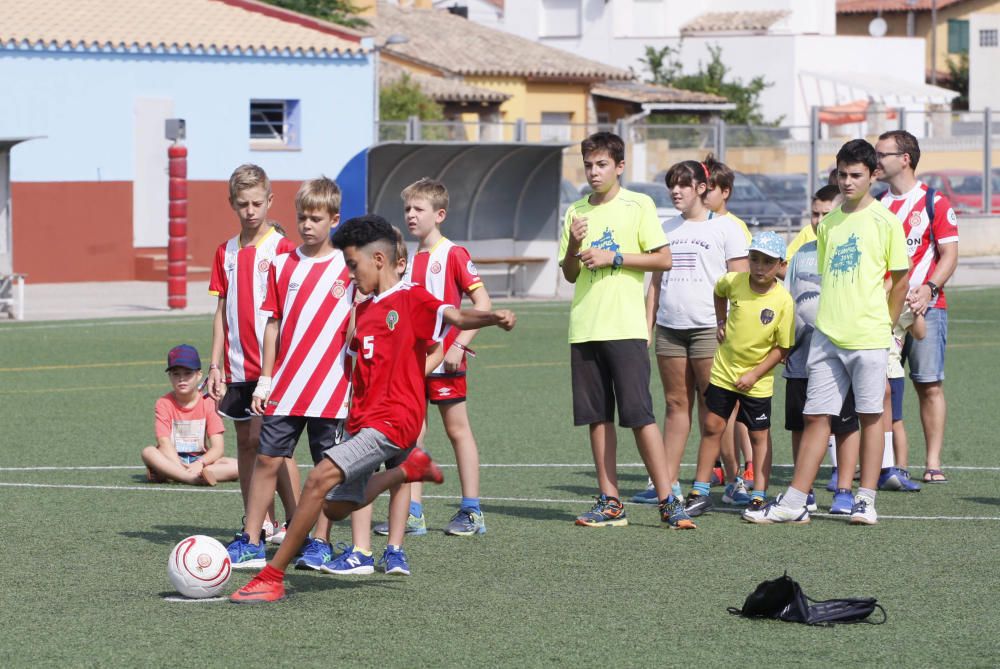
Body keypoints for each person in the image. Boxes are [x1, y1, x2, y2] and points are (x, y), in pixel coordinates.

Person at [230, 215, 517, 603]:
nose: (350, 274)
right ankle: (408, 470)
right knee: (335, 507)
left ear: (378, 260)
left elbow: (456, 316)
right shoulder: (362, 312)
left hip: (392, 421)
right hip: (361, 420)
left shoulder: (412, 297)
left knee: (317, 479)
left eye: (353, 265)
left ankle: (271, 575)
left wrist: (493, 317)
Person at [744, 139, 909, 526]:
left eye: (856, 175)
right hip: (826, 337)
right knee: (817, 416)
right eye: (842, 174)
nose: (848, 182)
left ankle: (865, 499)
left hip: (869, 337)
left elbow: (899, 281)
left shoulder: (886, 221)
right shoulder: (829, 224)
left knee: (871, 417)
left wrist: (885, 327)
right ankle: (797, 500)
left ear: (873, 175)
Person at [560, 131, 693, 530]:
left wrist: (612, 256)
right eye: (588, 164)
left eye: (602, 164)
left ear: (620, 167)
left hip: (625, 327)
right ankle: (610, 500)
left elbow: (664, 260)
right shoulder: (576, 212)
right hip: (584, 327)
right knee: (597, 417)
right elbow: (569, 274)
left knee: (639, 415)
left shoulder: (640, 205)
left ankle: (668, 499)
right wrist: (572, 244)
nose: (594, 172)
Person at [225, 177, 355, 569]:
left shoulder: (347, 265)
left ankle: (319, 541)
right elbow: (273, 324)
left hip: (331, 389)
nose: (307, 225)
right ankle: (252, 537)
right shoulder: (283, 264)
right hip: (286, 386)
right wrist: (266, 378)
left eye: (316, 218)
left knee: (324, 470)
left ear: (334, 218)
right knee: (267, 458)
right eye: (302, 217)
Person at [380, 177, 493, 537]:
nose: (411, 215)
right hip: (413, 362)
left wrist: (459, 346)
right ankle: (414, 512)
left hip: (445, 360)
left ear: (439, 214)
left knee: (457, 429)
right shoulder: (408, 260)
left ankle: (472, 511)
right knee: (413, 434)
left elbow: (483, 305)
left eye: (419, 209)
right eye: (407, 209)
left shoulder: (453, 254)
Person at [643, 159, 748, 508]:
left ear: (701, 188)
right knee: (675, 405)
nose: (676, 191)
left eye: (683, 185)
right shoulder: (665, 228)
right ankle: (667, 483)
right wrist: (648, 327)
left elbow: (740, 283)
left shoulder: (726, 229)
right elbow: (655, 284)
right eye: (672, 185)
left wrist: (733, 329)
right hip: (671, 329)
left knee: (715, 409)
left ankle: (733, 478)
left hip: (709, 329)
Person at [206, 164, 300, 545]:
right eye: (242, 203)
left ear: (269, 201)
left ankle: (298, 522)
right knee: (247, 444)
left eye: (257, 203)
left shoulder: (282, 249)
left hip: (271, 368)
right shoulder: (224, 252)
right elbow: (220, 312)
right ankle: (259, 521)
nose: (250, 210)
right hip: (235, 365)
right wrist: (215, 365)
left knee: (274, 447)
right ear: (232, 203)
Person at [682, 231, 793, 519]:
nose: (758, 267)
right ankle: (700, 491)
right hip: (724, 372)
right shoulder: (734, 281)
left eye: (767, 261)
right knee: (712, 427)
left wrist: (755, 375)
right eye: (754, 259)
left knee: (759, 437)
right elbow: (719, 291)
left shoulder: (783, 301)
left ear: (780, 265)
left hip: (757, 382)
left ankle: (758, 495)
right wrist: (720, 320)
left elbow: (782, 348)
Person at [875, 129, 959, 484]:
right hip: (885, 311)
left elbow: (950, 254)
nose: (875, 160)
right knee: (880, 387)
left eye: (882, 154)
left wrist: (929, 288)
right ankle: (888, 462)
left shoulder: (934, 202)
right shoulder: (877, 205)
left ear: (904, 158)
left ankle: (933, 461)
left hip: (928, 307)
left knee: (929, 384)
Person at [782, 185, 861, 516]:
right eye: (814, 213)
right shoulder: (800, 254)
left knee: (843, 424)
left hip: (837, 356)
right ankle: (805, 490)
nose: (818, 219)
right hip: (800, 358)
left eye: (825, 213)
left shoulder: (848, 251)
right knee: (801, 424)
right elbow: (787, 300)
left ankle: (844, 489)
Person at [703, 154, 755, 489]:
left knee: (739, 404)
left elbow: (747, 280)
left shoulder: (735, 228)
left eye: (709, 188)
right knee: (715, 403)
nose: (702, 193)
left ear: (725, 191)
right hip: (707, 321)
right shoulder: (697, 224)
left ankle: (747, 466)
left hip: (733, 328)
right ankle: (723, 465)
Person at [142, 344, 238, 486]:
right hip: (171, 459)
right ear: (170, 376)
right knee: (148, 452)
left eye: (188, 373)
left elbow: (218, 448)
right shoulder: (164, 403)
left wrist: (199, 463)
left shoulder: (209, 403)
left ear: (199, 375)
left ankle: (174, 475)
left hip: (200, 461)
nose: (182, 379)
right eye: (176, 374)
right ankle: (191, 478)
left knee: (237, 465)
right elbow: (163, 441)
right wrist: (180, 466)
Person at [877, 302, 926, 493]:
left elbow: (920, 334)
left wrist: (917, 312)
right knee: (867, 420)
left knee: (895, 421)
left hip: (892, 371)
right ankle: (872, 466)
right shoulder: (869, 294)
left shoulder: (904, 302)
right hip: (867, 368)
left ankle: (901, 469)